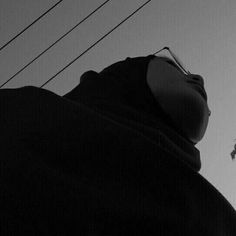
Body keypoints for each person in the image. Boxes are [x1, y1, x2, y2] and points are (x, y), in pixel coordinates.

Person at [1, 54, 236, 235]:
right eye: (173, 65)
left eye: (208, 106)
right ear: (126, 73)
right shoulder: (16, 116)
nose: (199, 79)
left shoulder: (214, 217)